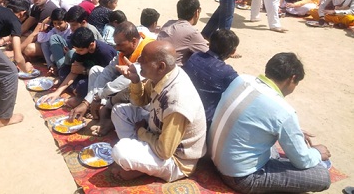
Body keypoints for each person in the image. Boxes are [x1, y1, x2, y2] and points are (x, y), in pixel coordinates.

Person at [209, 52, 331, 193]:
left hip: (214, 157)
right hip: (239, 176)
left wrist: (293, 131)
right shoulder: (284, 111)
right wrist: (316, 152)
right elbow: (302, 160)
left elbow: (254, 116)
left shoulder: (242, 79)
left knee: (275, 143)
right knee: (322, 176)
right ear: (292, 78)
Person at [110, 41, 207, 182]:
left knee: (120, 151)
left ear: (160, 66)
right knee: (119, 111)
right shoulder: (164, 75)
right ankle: (140, 161)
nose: (138, 60)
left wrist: (141, 132)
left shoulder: (177, 100)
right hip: (156, 132)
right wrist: (135, 80)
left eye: (144, 59)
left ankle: (140, 164)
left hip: (176, 160)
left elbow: (164, 151)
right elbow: (140, 101)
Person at [69, 22, 155, 136]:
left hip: (145, 98)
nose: (117, 48)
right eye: (116, 45)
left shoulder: (147, 51)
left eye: (120, 45)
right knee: (96, 70)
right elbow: (107, 73)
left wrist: (98, 96)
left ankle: (105, 113)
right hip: (121, 88)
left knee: (125, 90)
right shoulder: (124, 52)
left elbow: (125, 81)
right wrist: (87, 101)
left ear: (134, 41)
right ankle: (97, 109)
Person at [41, 27, 116, 108]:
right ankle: (77, 92)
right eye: (76, 50)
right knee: (63, 71)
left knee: (82, 86)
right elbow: (74, 71)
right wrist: (57, 92)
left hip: (100, 80)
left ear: (91, 45)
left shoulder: (104, 52)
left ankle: (81, 97)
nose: (77, 52)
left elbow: (109, 77)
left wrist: (84, 71)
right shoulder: (80, 51)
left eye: (80, 50)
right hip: (85, 75)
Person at [183, 29, 239, 129]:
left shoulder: (195, 56)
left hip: (184, 109)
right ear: (233, 52)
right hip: (204, 121)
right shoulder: (226, 72)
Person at [157, 0, 208, 67]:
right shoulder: (192, 32)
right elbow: (209, 56)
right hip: (172, 72)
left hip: (157, 66)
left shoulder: (168, 23)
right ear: (197, 12)